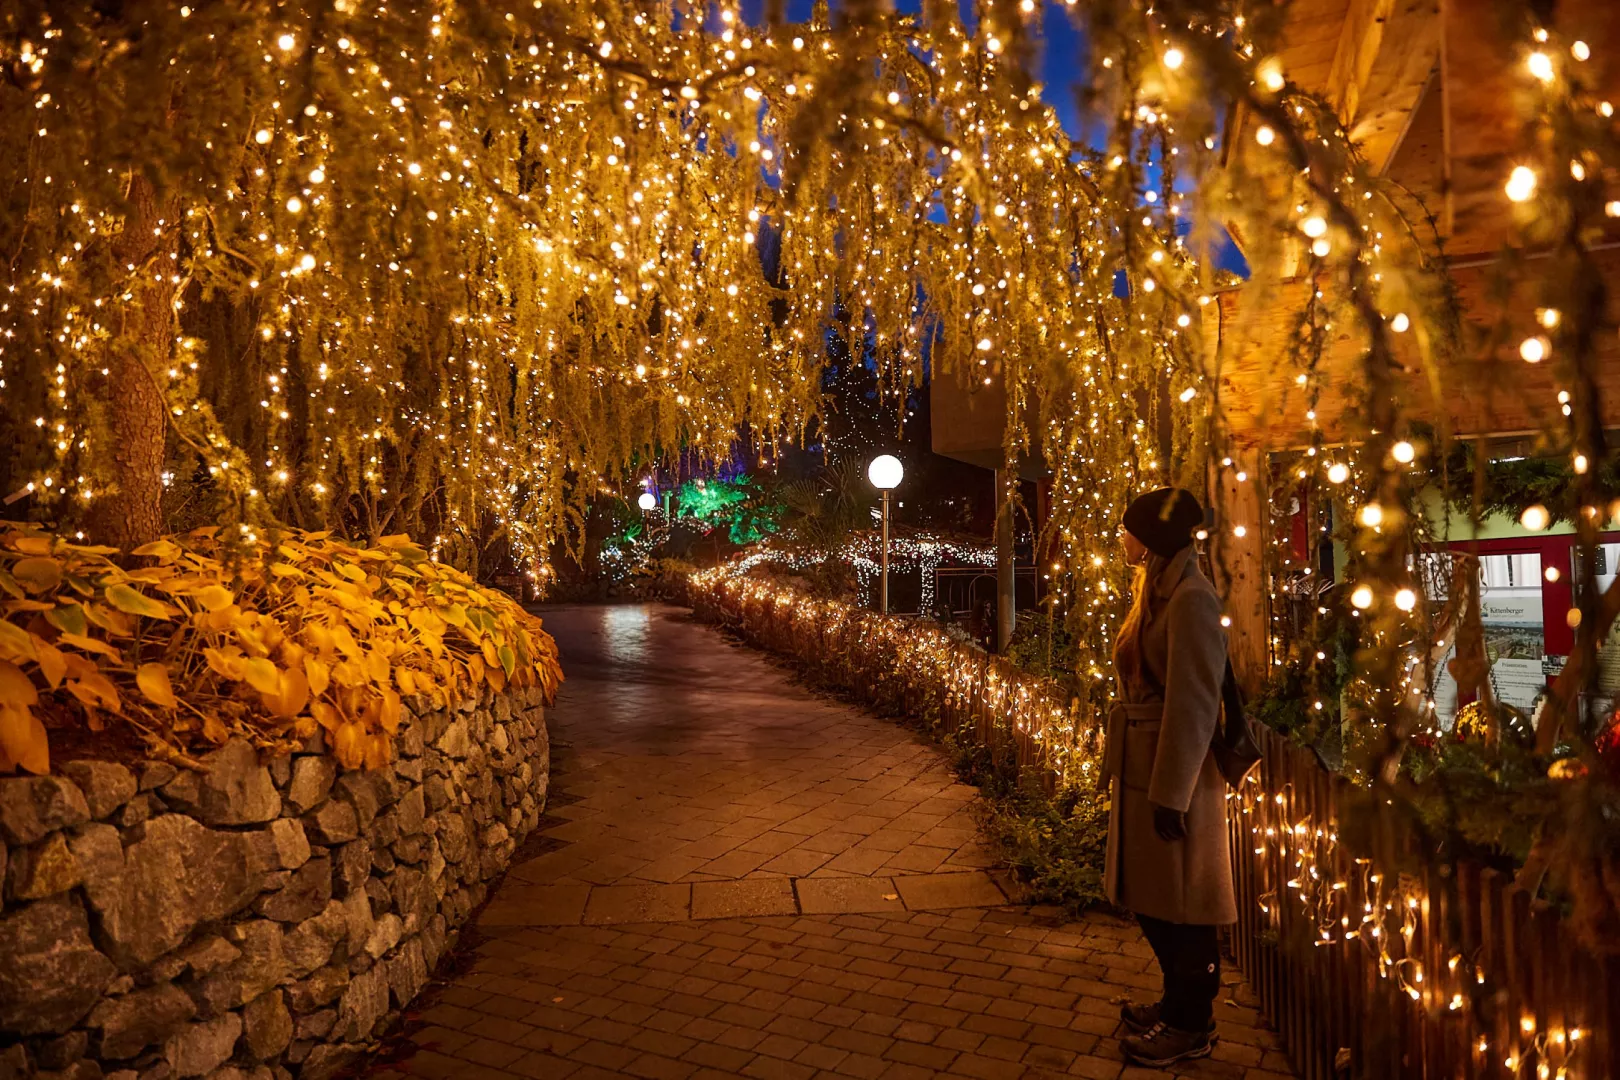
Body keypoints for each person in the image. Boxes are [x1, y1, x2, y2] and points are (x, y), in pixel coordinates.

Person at [1102, 487, 1237, 1067]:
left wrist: (1172, 794)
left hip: (1173, 773)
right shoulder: (1158, 592)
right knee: (1154, 898)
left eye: (1130, 530)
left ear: (1152, 538)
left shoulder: (1190, 600)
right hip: (1146, 763)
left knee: (1184, 903)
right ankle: (1176, 1003)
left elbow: (1195, 702)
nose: (1122, 539)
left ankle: (1191, 1022)